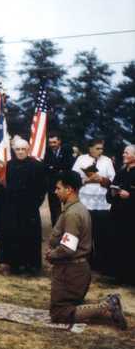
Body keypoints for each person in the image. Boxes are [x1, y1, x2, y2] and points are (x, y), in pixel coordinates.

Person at [47, 170, 127, 329]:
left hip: (71, 271)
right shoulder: (77, 209)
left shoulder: (73, 214)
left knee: (59, 314)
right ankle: (107, 312)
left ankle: (107, 306)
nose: (55, 192)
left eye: (58, 188)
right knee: (62, 308)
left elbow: (68, 248)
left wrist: (52, 254)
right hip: (74, 270)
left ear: (69, 189)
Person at [0, 138, 46, 275]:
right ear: (14, 150)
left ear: (28, 150)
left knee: (29, 236)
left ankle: (30, 266)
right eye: (17, 149)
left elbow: (42, 188)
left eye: (23, 149)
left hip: (30, 208)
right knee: (11, 235)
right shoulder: (9, 165)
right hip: (11, 207)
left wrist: (36, 203)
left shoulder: (37, 166)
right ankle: (10, 264)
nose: (20, 152)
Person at [72, 138, 115, 274]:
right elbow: (73, 178)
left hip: (102, 203)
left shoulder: (107, 161)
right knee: (85, 233)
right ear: (90, 148)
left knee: (101, 234)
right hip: (85, 201)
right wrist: (86, 179)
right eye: (97, 148)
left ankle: (101, 265)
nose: (100, 151)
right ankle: (84, 262)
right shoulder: (81, 160)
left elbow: (113, 180)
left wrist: (102, 179)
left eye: (102, 149)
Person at [106, 144, 135, 285]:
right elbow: (112, 189)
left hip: (131, 217)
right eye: (123, 152)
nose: (123, 155)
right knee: (117, 243)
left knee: (129, 245)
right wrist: (112, 192)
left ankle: (129, 277)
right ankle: (118, 275)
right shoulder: (121, 171)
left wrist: (130, 195)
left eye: (126, 153)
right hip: (117, 214)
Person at [43, 131, 75, 227]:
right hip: (52, 185)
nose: (52, 145)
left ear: (59, 141)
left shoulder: (67, 150)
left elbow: (69, 166)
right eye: (50, 143)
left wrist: (53, 167)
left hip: (65, 184)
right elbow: (46, 167)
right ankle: (56, 230)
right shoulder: (46, 151)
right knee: (54, 209)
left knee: (68, 207)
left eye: (54, 142)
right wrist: (58, 168)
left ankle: (68, 228)